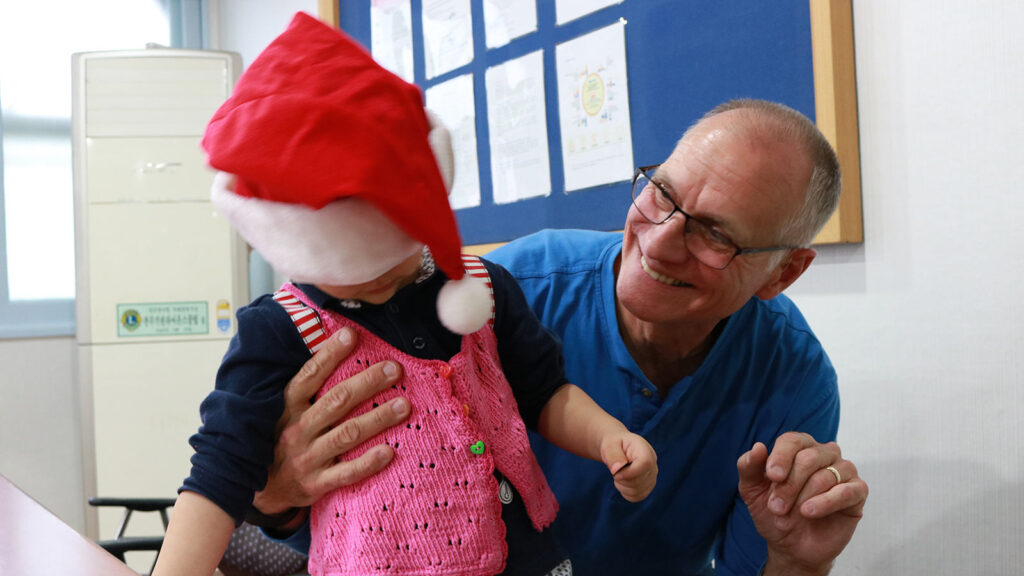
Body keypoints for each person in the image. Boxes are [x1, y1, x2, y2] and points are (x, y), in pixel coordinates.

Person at [249, 97, 870, 576]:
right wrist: (277, 492)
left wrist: (797, 559)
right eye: (661, 193)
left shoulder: (794, 379)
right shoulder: (497, 297)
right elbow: (358, 535)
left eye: (713, 234)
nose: (656, 242)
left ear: (783, 273)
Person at [152, 12, 656, 576]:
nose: (379, 280)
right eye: (352, 268)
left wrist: (610, 437)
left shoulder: (481, 286)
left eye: (393, 257)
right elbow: (221, 470)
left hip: (529, 558)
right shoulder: (278, 331)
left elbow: (546, 393)